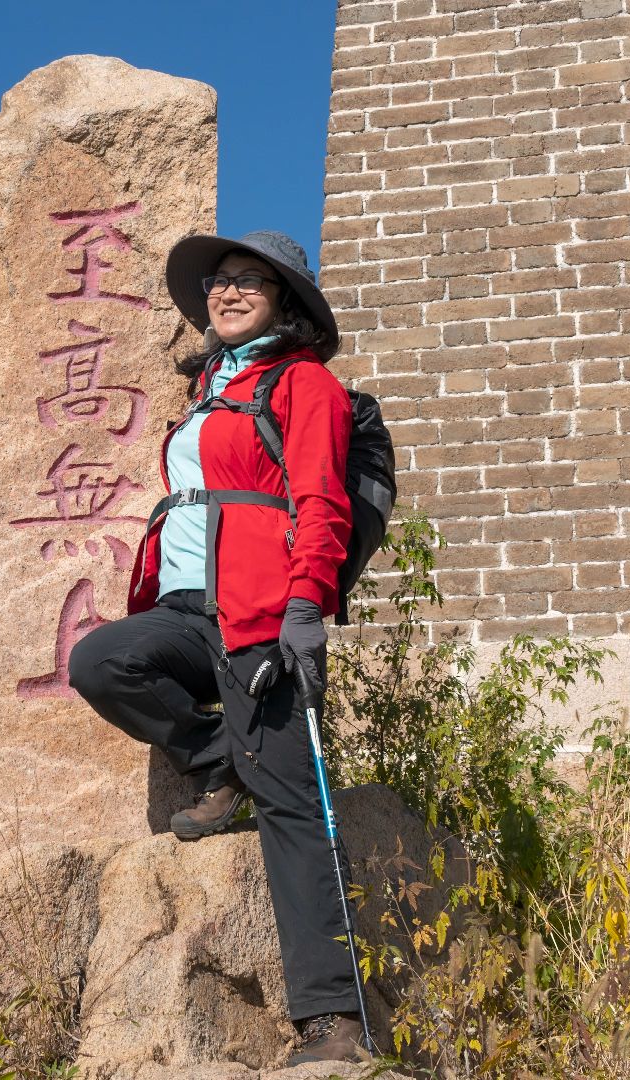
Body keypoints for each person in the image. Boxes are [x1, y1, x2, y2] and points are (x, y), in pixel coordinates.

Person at [68, 230, 365, 1065]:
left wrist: (307, 605)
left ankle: (331, 1018)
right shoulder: (209, 388)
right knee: (101, 663)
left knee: (292, 804)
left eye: (249, 282)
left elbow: (321, 500)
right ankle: (217, 756)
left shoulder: (305, 385)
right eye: (220, 282)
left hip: (264, 610)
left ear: (286, 302)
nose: (228, 293)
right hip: (188, 608)